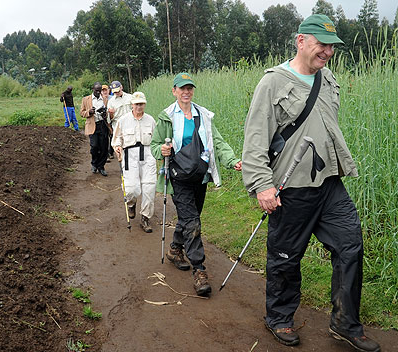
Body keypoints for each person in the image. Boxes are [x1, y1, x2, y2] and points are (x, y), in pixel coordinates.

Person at [242, 14, 380, 352]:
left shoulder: (328, 78)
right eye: (321, 44)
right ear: (301, 40)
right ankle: (279, 317)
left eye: (332, 46)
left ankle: (345, 323)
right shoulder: (272, 83)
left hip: (330, 185)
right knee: (286, 256)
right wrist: (262, 185)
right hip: (292, 188)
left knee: (350, 245)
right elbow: (256, 139)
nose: (328, 51)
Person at [151, 72, 242, 297]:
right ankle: (199, 270)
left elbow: (217, 142)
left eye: (189, 88)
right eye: (182, 88)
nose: (186, 92)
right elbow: (154, 145)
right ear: (174, 91)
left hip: (200, 176)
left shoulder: (203, 115)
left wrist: (231, 160)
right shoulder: (167, 117)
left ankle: (174, 249)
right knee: (192, 222)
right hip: (178, 177)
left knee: (190, 218)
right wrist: (160, 150)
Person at [112, 92, 157, 233]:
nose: (139, 106)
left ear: (145, 104)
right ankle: (131, 203)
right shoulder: (123, 120)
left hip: (148, 155)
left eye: (141, 104)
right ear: (132, 104)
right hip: (129, 155)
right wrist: (117, 147)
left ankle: (145, 218)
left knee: (149, 188)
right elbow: (117, 138)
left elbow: (156, 139)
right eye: (137, 104)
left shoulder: (150, 120)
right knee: (131, 189)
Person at [80, 82, 111, 177]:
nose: (98, 92)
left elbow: (109, 113)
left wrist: (105, 114)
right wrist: (89, 112)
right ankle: (94, 164)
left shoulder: (105, 99)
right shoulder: (86, 99)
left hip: (103, 125)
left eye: (99, 90)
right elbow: (81, 113)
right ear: (93, 89)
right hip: (92, 125)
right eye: (96, 90)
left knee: (104, 147)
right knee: (94, 146)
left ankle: (101, 166)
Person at [102, 84, 115, 160]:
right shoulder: (100, 99)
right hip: (104, 121)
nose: (104, 92)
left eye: (106, 90)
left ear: (109, 90)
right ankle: (106, 154)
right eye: (103, 90)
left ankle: (111, 151)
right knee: (105, 138)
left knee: (112, 136)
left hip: (112, 120)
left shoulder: (113, 98)